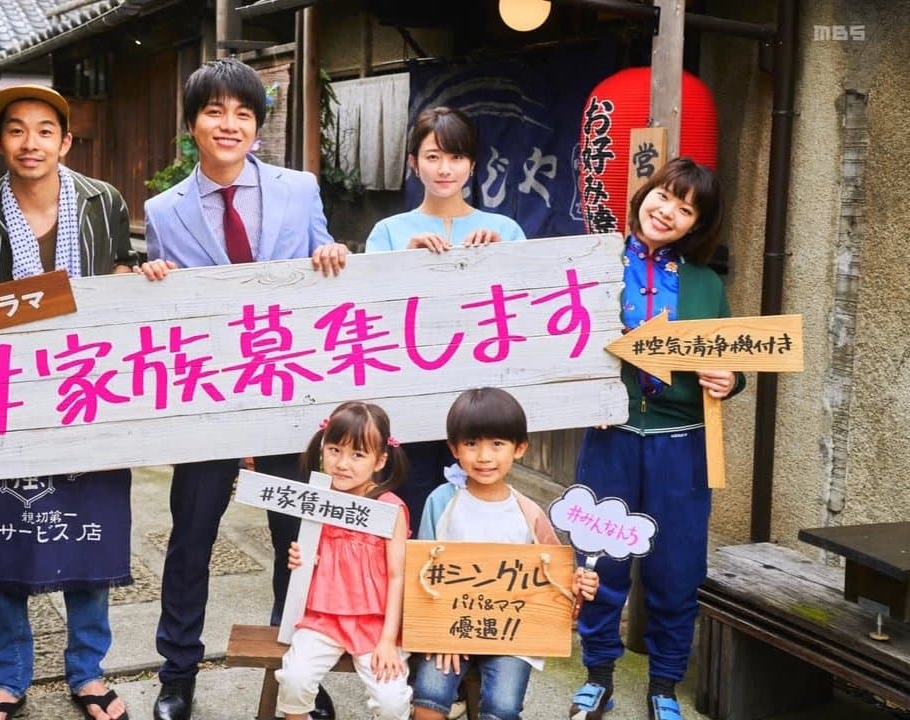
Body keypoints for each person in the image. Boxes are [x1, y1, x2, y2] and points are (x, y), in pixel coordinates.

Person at [136, 57, 348, 720]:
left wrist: (333, 255)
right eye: (214, 112)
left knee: (295, 538)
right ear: (192, 126)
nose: (229, 124)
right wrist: (153, 277)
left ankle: (298, 672)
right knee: (191, 536)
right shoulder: (163, 210)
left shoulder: (299, 190)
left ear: (257, 126)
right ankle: (177, 672)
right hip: (209, 402)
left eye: (243, 113)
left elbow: (327, 270)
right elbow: (168, 306)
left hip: (289, 396)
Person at [0, 84, 137, 720]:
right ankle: (6, 679)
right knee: (4, 531)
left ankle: (88, 673)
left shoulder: (104, 203)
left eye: (45, 130)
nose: (30, 143)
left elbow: (126, 284)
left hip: (88, 392)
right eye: (16, 129)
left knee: (90, 530)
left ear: (65, 141)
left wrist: (140, 278)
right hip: (1, 402)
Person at [567, 158, 742, 720]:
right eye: (664, 195)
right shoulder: (594, 262)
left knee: (676, 567)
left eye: (685, 209)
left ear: (697, 225)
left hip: (683, 445)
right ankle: (597, 675)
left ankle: (664, 684)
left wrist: (731, 379)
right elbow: (559, 340)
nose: (668, 211)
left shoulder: (706, 283)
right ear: (645, 193)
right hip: (610, 438)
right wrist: (584, 391)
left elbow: (732, 356)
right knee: (600, 560)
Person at [364, 106, 527, 533]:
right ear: (413, 163)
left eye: (456, 157)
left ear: (472, 164)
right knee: (409, 517)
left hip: (482, 406)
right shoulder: (389, 232)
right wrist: (404, 262)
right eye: (432, 156)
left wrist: (503, 258)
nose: (444, 169)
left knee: (475, 521)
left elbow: (529, 307)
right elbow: (368, 315)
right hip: (409, 401)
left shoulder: (505, 230)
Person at [412, 387, 599, 720]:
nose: (484, 456)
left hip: (512, 633)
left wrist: (577, 586)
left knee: (502, 705)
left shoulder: (528, 513)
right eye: (472, 444)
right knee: (429, 695)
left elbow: (555, 583)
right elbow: (420, 574)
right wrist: (437, 632)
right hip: (450, 626)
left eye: (497, 444)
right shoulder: (440, 502)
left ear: (520, 447)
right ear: (454, 448)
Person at [277, 401, 412, 720]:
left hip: (375, 624)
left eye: (358, 455)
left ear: (380, 460)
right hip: (321, 617)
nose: (342, 463)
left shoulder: (389, 509)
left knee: (392, 701)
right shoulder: (317, 499)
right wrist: (303, 560)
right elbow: (315, 558)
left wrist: (389, 640)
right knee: (294, 679)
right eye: (335, 450)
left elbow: (397, 576)